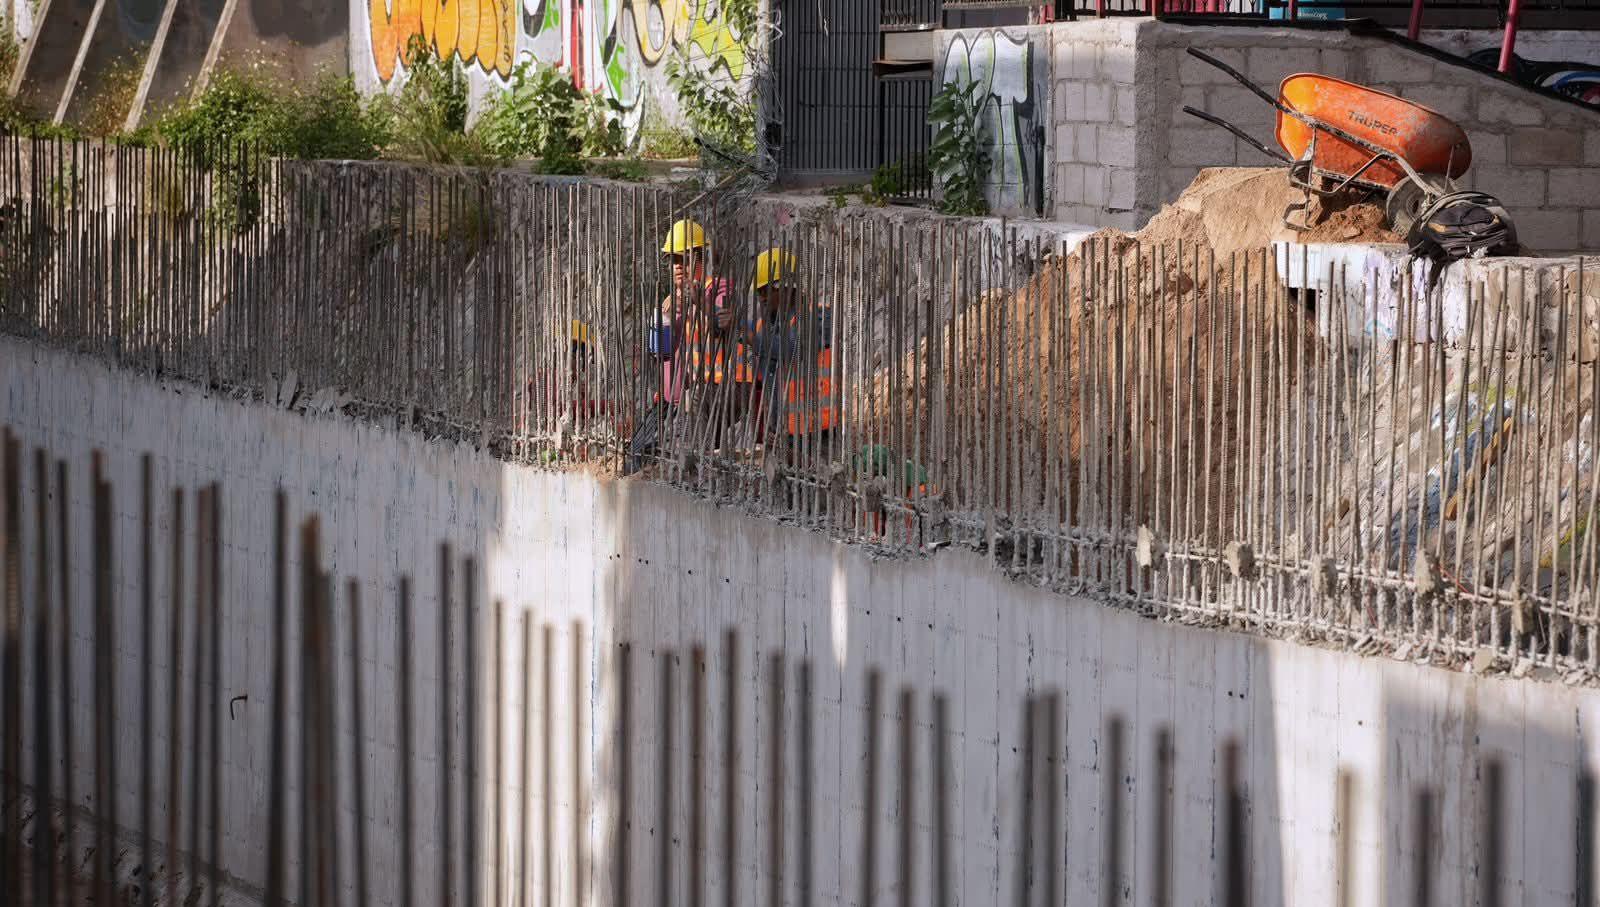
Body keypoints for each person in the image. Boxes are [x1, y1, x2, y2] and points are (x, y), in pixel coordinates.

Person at [742, 247, 834, 459]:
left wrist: (753, 339)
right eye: (758, 292)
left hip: (816, 435)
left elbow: (792, 348)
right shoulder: (767, 325)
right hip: (782, 432)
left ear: (786, 287)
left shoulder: (819, 316)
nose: (761, 297)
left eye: (766, 290)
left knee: (816, 479)